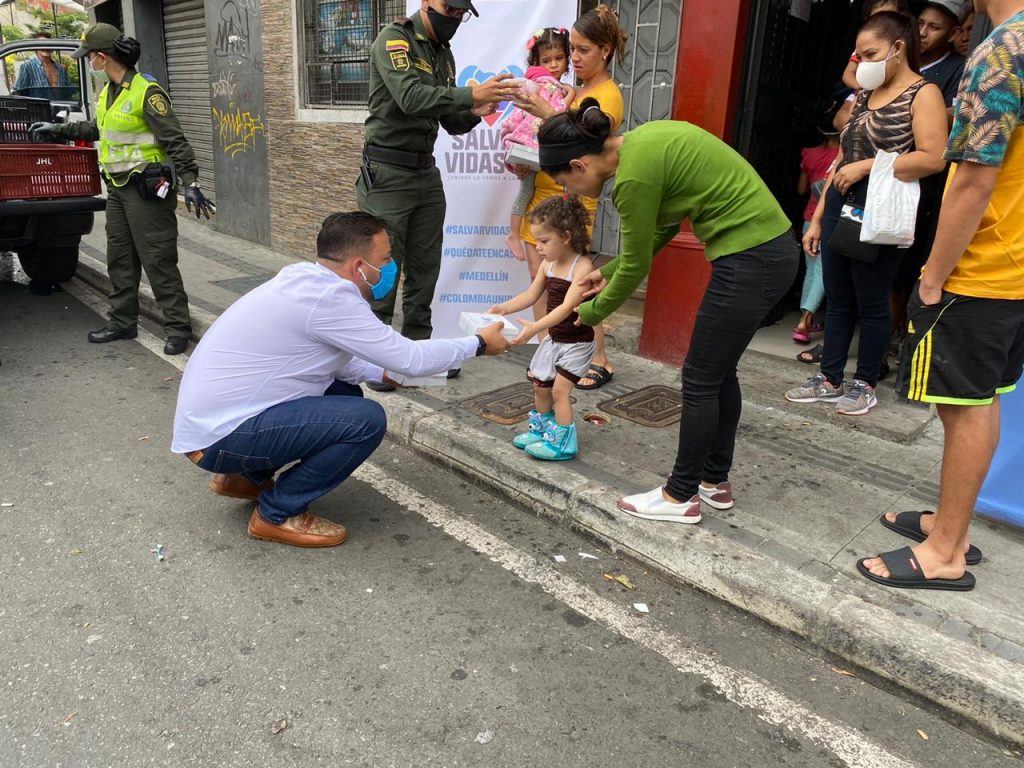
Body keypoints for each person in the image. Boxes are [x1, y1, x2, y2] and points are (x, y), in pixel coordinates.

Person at [172, 212, 511, 548]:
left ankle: (244, 478)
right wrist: (478, 344)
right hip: (221, 437)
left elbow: (333, 363)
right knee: (366, 420)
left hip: (213, 427)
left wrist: (381, 372)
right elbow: (409, 357)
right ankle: (276, 514)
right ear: (359, 266)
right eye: (387, 258)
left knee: (345, 395)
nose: (393, 267)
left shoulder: (304, 279)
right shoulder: (333, 300)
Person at [537, 101, 799, 522]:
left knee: (698, 378)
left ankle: (680, 497)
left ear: (578, 164)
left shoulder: (632, 179)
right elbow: (658, 234)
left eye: (564, 181)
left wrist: (586, 314)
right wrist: (605, 275)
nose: (570, 193)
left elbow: (639, 263)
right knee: (718, 373)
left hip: (751, 260)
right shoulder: (644, 143)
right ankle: (713, 483)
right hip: (768, 254)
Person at [860, 0, 1024, 592]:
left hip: (982, 266)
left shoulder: (1004, 48)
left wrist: (932, 275)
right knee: (983, 400)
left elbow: (976, 177)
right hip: (1013, 265)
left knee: (965, 406)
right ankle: (949, 525)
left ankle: (946, 550)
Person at [785, 12, 948, 416]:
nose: (862, 62)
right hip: (842, 201)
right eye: (858, 55)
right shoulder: (863, 95)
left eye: (870, 53)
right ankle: (829, 377)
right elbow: (841, 158)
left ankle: (865, 383)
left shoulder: (923, 93)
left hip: (883, 208)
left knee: (872, 302)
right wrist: (820, 217)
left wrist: (871, 166)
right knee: (838, 299)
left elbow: (933, 158)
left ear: (898, 49)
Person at [356, 0, 519, 391]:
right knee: (383, 272)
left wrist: (478, 109)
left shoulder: (443, 54)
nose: (455, 19)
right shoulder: (395, 40)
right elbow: (411, 97)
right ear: (427, 2)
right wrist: (470, 93)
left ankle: (416, 355)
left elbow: (452, 121)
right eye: (450, 8)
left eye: (462, 14)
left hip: (425, 173)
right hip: (388, 173)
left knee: (425, 270)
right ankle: (375, 361)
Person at [29, 24, 215, 356]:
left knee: (157, 259)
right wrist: (58, 129)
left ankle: (177, 327)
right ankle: (122, 321)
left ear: (102, 57)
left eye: (89, 58)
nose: (88, 63)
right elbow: (98, 128)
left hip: (146, 189)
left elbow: (175, 140)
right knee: (120, 259)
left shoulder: (147, 91)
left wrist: (192, 183)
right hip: (115, 187)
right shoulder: (109, 92)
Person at [512, 5, 626, 389]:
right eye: (572, 49)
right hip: (550, 195)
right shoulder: (582, 89)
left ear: (605, 50)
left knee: (579, 283)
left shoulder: (607, 96)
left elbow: (586, 148)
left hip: (575, 201)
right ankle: (552, 347)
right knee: (549, 279)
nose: (573, 58)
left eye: (582, 50)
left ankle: (599, 357)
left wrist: (546, 111)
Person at [489, 195, 595, 461]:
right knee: (540, 386)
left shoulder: (581, 267)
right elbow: (530, 295)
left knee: (560, 390)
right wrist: (504, 308)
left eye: (544, 241)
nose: (537, 247)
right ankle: (543, 431)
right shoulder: (548, 265)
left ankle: (563, 443)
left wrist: (535, 327)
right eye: (536, 240)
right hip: (555, 339)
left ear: (567, 236)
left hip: (577, 342)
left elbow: (566, 308)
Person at [501, 28, 575, 263]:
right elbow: (559, 115)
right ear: (537, 61)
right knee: (527, 191)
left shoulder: (537, 82)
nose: (553, 65)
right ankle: (513, 234)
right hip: (532, 149)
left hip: (531, 151)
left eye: (559, 58)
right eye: (546, 60)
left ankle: (515, 234)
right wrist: (571, 94)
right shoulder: (548, 85)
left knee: (528, 191)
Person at [793, 112, 840, 348]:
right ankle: (805, 320)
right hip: (828, 219)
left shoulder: (808, 154)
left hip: (808, 218)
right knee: (823, 271)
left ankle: (806, 318)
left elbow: (802, 189)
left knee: (811, 270)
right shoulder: (840, 155)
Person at [918, 1, 966, 123]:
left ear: (953, 34)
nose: (922, 33)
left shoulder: (960, 68)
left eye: (934, 27)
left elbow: (953, 115)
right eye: (919, 24)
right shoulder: (900, 57)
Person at [12, 32, 73, 102]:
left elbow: (69, 92)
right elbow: (18, 93)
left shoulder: (61, 69)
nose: (46, 47)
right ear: (35, 47)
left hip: (61, 111)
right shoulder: (28, 66)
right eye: (42, 44)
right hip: (39, 111)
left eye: (48, 44)